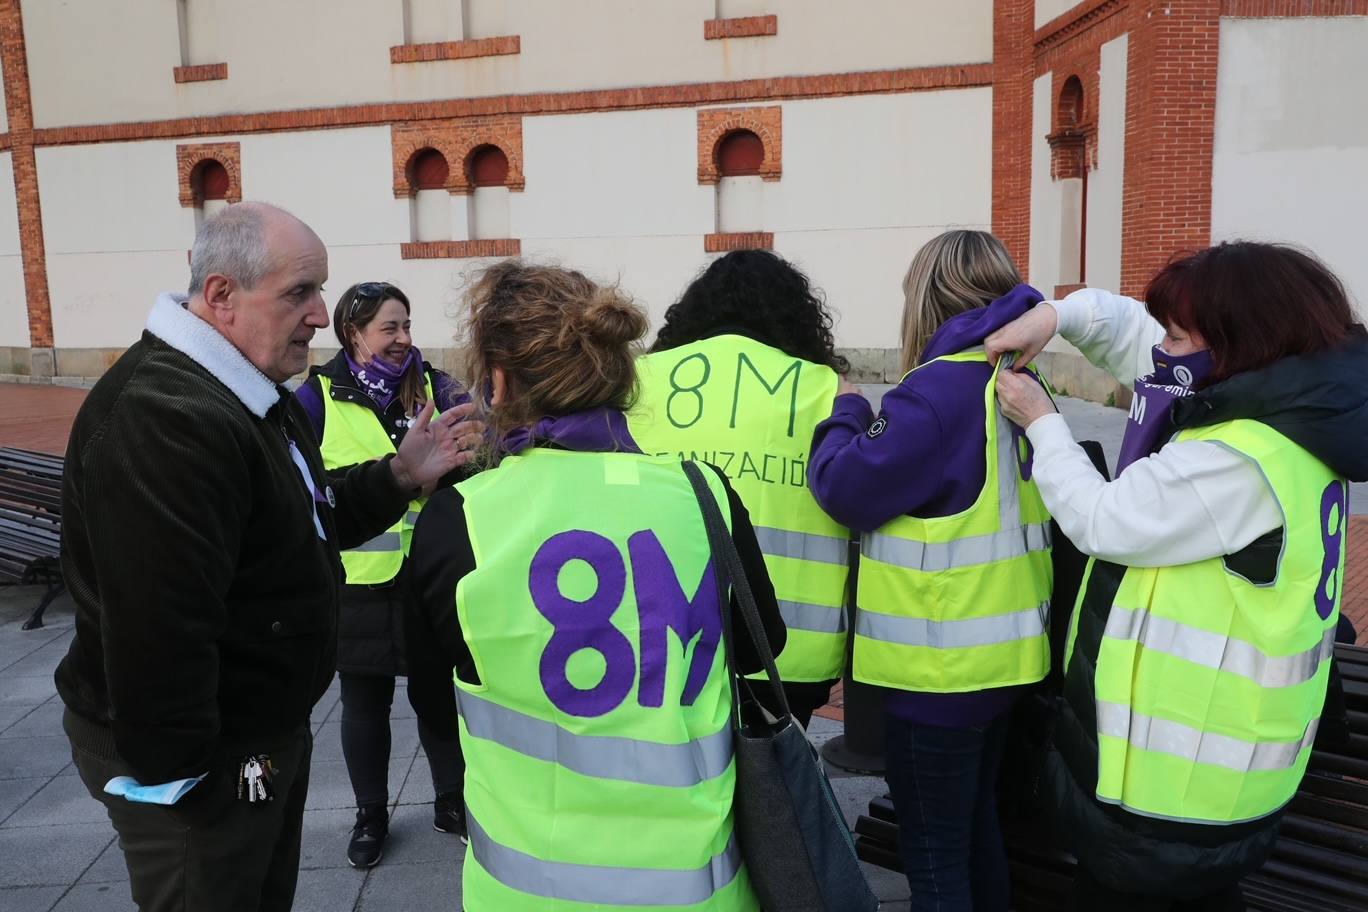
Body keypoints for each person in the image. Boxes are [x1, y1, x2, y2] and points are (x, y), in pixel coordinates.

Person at [54, 202, 481, 912]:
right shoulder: (168, 417)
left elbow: (299, 518)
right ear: (221, 295)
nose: (320, 315)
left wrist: (400, 476)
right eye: (300, 292)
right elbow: (159, 634)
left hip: (251, 742)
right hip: (204, 768)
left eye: (319, 291)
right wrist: (192, 788)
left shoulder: (238, 387)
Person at [987, 241, 1368, 911]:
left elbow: (1106, 519)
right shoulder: (1290, 404)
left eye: (1178, 334)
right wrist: (1059, 318)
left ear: (1234, 344)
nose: (1161, 348)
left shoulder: (1238, 457)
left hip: (1176, 784)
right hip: (1221, 771)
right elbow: (1141, 342)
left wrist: (1044, 424)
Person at [403, 261, 786, 911]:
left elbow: (435, 707)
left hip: (525, 893)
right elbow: (760, 647)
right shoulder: (704, 495)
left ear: (498, 379)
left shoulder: (460, 518)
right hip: (701, 889)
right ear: (618, 371)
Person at [808, 230, 1054, 912]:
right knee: (977, 836)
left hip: (938, 673)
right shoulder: (1020, 380)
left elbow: (846, 488)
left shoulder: (937, 392)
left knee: (937, 858)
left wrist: (848, 414)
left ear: (930, 298)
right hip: (1006, 662)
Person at [627, 249, 852, 727]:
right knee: (772, 784)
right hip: (790, 651)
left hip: (663, 631)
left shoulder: (642, 382)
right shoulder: (825, 390)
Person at [294, 282, 470, 867]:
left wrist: (449, 471)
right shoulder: (316, 396)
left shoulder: (439, 387)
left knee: (439, 695)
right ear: (353, 333)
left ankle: (452, 800)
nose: (403, 339)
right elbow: (305, 488)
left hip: (434, 578)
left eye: (406, 325)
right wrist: (391, 474)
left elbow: (483, 459)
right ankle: (371, 814)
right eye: (388, 328)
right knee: (363, 702)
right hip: (359, 578)